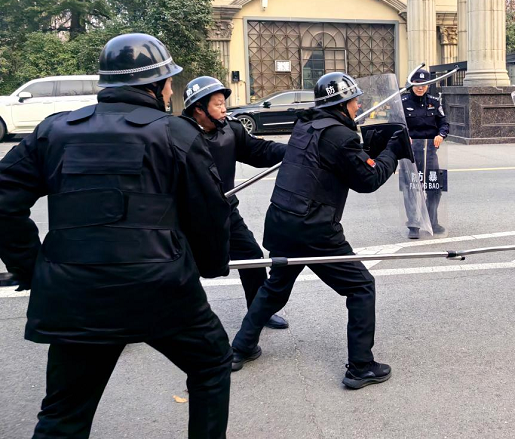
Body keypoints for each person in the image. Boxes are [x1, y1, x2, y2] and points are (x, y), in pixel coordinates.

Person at [0, 33, 234, 439]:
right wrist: (211, 268)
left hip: (76, 295)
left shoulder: (53, 132)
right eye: (169, 82)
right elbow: (210, 215)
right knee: (212, 364)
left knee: (64, 414)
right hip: (161, 292)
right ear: (157, 86)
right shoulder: (177, 135)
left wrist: (33, 269)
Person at [230, 72, 410, 390]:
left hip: (282, 220)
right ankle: (360, 367)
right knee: (361, 287)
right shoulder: (341, 136)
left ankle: (239, 349)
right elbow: (367, 181)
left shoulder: (306, 124)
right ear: (342, 104)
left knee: (275, 288)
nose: (358, 106)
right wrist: (392, 153)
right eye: (354, 101)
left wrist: (370, 146)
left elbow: (332, 158)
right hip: (313, 228)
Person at [181, 76, 288, 329]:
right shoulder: (176, 136)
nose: (224, 109)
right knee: (178, 267)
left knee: (251, 257)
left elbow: (259, 151)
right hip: (187, 218)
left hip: (225, 210)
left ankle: (258, 311)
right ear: (198, 108)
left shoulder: (231, 129)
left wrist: (296, 149)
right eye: (218, 104)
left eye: (223, 103)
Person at [401, 69, 449, 239]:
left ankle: (432, 221)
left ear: (428, 85)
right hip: (410, 152)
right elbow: (396, 124)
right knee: (411, 188)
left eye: (423, 85)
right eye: (417, 84)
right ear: (412, 84)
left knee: (435, 188)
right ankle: (413, 225)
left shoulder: (435, 102)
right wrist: (404, 136)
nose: (420, 88)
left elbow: (444, 123)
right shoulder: (403, 101)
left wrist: (440, 135)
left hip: (429, 151)